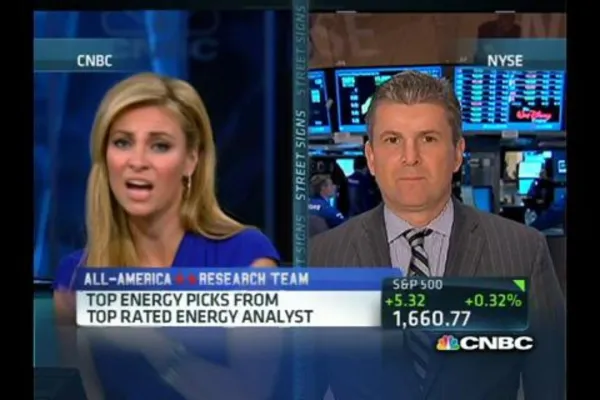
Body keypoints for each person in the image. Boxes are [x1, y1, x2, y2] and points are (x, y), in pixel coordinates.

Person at [309, 71, 565, 399]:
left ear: (457, 153)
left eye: (428, 139)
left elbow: (551, 383)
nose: (410, 157)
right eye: (393, 140)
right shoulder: (323, 258)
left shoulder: (522, 251)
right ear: (371, 157)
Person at [53, 72, 282, 399]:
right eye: (122, 142)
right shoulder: (77, 275)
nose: (137, 162)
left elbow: (252, 394)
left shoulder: (246, 259)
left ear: (191, 160)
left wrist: (152, 344)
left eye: (159, 145)